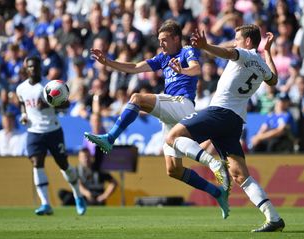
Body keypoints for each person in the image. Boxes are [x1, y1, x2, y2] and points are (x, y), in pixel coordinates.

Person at [85, 20, 230, 219]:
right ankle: (217, 193)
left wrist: (182, 71)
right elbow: (135, 67)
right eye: (159, 40)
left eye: (164, 40)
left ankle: (110, 138)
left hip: (182, 104)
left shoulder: (187, 51)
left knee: (136, 98)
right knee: (173, 170)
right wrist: (108, 62)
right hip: (171, 113)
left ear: (176, 38)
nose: (161, 43)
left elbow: (196, 69)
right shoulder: (163, 58)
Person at [166, 25, 285, 232]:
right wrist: (268, 52)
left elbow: (228, 52)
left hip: (220, 112)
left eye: (237, 38)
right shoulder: (261, 64)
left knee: (173, 136)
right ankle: (273, 217)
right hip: (235, 121)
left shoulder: (245, 54)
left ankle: (213, 164)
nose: (235, 41)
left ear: (248, 42)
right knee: (241, 175)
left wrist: (205, 46)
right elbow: (273, 79)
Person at [16, 56, 86, 216]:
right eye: (30, 67)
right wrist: (23, 115)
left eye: (36, 66)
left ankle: (78, 195)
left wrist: (49, 102)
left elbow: (66, 104)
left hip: (52, 130)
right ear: (26, 69)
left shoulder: (49, 85)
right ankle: (45, 203)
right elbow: (22, 104)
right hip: (34, 131)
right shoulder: (21, 88)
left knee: (63, 165)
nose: (33, 69)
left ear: (41, 67)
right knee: (36, 162)